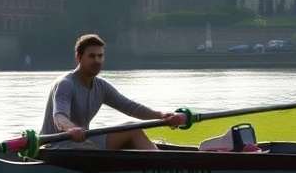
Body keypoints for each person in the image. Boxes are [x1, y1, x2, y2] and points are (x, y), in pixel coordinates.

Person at [42, 34, 188, 149]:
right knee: (89, 148)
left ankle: (161, 166)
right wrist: (71, 128)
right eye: (92, 56)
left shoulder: (101, 87)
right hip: (55, 144)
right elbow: (59, 117)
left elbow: (132, 108)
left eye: (100, 56)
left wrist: (161, 115)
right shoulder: (65, 84)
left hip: (83, 140)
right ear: (79, 58)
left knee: (133, 127)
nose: (97, 61)